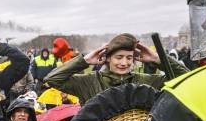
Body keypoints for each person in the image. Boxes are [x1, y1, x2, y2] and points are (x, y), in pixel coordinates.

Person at [45, 33, 189, 105]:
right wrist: (84, 61)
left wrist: (158, 59)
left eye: (129, 57)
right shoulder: (89, 82)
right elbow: (52, 79)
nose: (124, 63)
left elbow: (188, 78)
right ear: (108, 58)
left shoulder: (145, 81)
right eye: (119, 57)